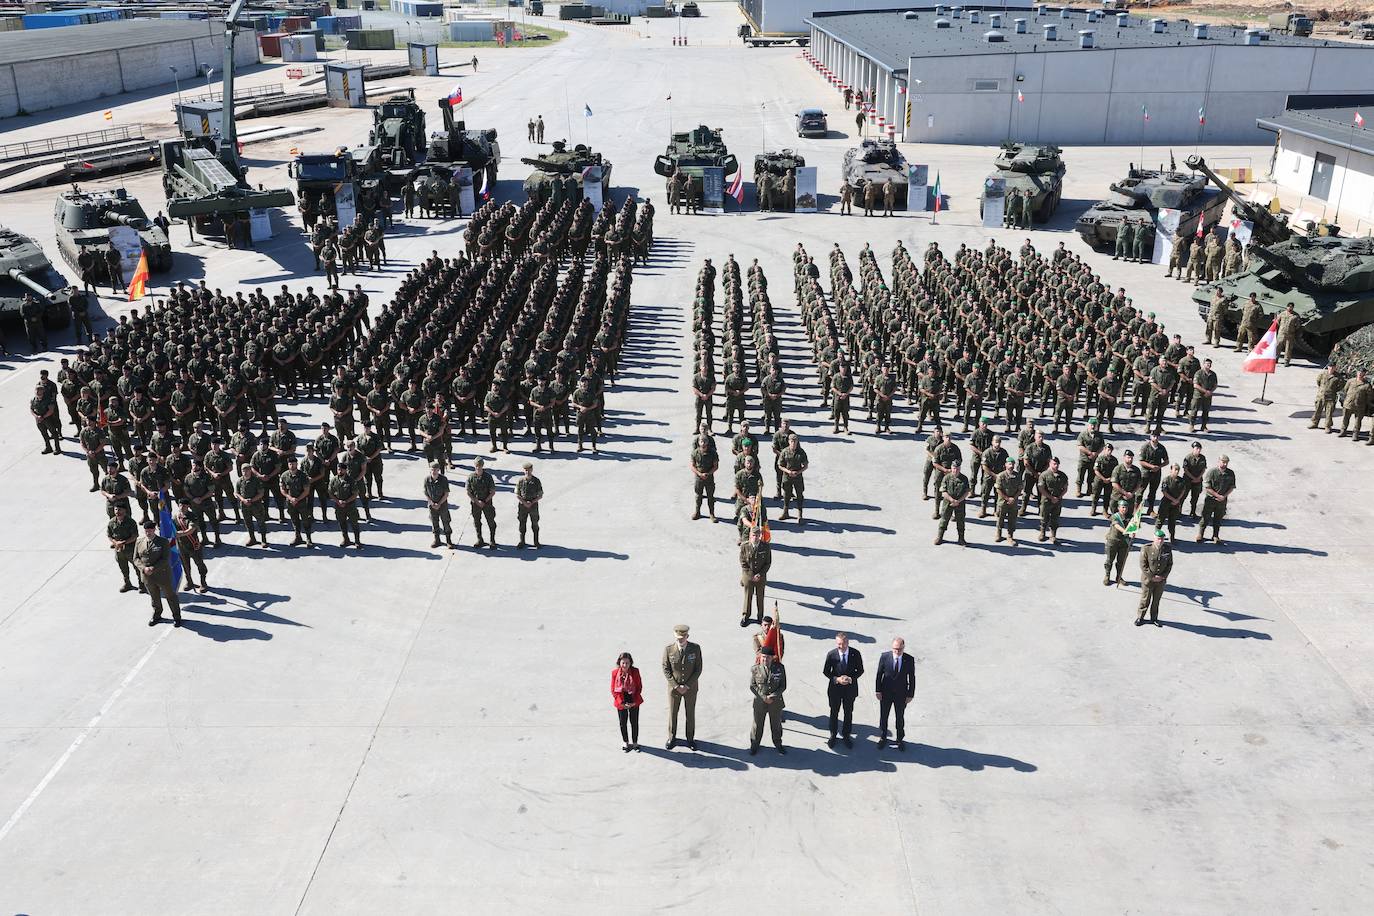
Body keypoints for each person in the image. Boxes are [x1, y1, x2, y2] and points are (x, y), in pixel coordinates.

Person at [134, 518, 182, 627]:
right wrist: (144, 568)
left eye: (150, 530)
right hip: (147, 576)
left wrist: (153, 568)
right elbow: (136, 558)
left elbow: (165, 559)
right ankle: (157, 615)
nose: (148, 532)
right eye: (146, 530)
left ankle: (177, 617)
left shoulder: (163, 542)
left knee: (170, 596)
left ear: (154, 530)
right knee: (154, 597)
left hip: (162, 575)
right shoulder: (139, 541)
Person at [662, 624, 702, 751]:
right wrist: (675, 685)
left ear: (687, 636)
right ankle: (672, 737)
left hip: (690, 689)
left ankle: (690, 738)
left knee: (690, 714)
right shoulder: (669, 650)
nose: (680, 640)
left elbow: (698, 669)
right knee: (673, 713)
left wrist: (687, 685)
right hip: (674, 690)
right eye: (678, 638)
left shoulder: (695, 649)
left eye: (682, 638)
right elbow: (666, 668)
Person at [822, 632, 864, 748]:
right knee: (834, 712)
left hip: (850, 690)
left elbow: (860, 670)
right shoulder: (832, 654)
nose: (840, 646)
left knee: (848, 713)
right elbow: (826, 671)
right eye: (838, 644)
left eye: (842, 644)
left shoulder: (855, 654)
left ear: (847, 642)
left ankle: (846, 735)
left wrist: (851, 678)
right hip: (835, 689)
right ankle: (833, 735)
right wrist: (837, 679)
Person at [874, 637, 915, 750]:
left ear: (903, 647)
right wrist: (878, 690)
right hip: (885, 693)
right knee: (884, 716)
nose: (897, 652)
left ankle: (900, 739)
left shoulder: (909, 659)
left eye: (899, 649)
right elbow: (879, 675)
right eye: (895, 649)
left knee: (900, 717)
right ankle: (883, 737)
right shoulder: (884, 657)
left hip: (901, 695)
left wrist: (910, 694)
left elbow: (912, 678)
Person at [749, 645, 787, 756]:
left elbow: (783, 686)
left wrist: (773, 696)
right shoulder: (755, 668)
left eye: (768, 657)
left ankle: (778, 743)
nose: (765, 660)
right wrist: (764, 697)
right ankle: (754, 744)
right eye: (763, 657)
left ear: (772, 658)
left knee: (776, 725)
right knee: (757, 725)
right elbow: (752, 686)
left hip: (775, 703)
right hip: (760, 703)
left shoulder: (780, 668)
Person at [1137, 529, 1173, 627]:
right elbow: (1143, 565)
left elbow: (1169, 564)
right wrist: (1152, 577)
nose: (1160, 541)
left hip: (1161, 581)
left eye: (1162, 539)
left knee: (1156, 600)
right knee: (1145, 599)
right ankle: (1140, 617)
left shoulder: (1167, 549)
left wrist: (1162, 577)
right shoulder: (1146, 548)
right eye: (1158, 539)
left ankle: (1154, 618)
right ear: (1154, 538)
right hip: (1148, 580)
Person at [1198, 454, 1236, 544]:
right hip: (1210, 500)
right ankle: (1200, 534)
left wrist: (1224, 496)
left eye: (1226, 462)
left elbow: (1232, 486)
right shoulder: (1212, 472)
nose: (1225, 464)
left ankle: (1215, 535)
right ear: (1219, 462)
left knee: (1218, 519)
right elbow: (1207, 487)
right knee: (1205, 517)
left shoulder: (1230, 473)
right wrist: (1217, 495)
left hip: (1222, 501)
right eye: (1223, 462)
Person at [738, 524, 771, 627]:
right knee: (748, 596)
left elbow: (768, 563)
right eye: (753, 535)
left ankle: (760, 616)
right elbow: (743, 562)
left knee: (760, 596)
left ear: (760, 536)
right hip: (748, 576)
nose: (755, 537)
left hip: (760, 577)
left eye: (757, 535)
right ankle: (745, 616)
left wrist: (760, 574)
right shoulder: (745, 546)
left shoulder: (765, 547)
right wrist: (751, 575)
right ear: (750, 536)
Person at [173, 505, 210, 595]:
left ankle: (203, 582)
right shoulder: (175, 517)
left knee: (199, 564)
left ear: (188, 506)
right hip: (182, 546)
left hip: (193, 545)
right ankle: (189, 581)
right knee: (186, 566)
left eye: (184, 505)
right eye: (180, 505)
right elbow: (171, 528)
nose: (182, 507)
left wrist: (179, 534)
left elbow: (191, 530)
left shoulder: (192, 516)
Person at [611, 651, 643, 752]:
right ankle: (625, 741)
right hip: (621, 698)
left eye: (627, 663)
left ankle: (635, 742)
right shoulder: (615, 673)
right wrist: (621, 702)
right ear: (619, 663)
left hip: (633, 697)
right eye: (623, 663)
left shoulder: (635, 671)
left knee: (634, 722)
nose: (625, 665)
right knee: (623, 722)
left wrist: (634, 701)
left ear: (630, 663)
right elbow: (613, 690)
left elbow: (639, 688)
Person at [466, 457, 497, 548]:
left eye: (479, 466)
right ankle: (480, 539)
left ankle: (492, 540)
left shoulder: (488, 477)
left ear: (482, 466)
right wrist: (476, 501)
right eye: (476, 466)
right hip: (475, 504)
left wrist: (484, 501)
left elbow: (493, 491)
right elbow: (468, 491)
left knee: (491, 521)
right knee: (477, 522)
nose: (478, 468)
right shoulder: (471, 477)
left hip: (487, 503)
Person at [424, 461, 454, 549]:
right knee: (434, 522)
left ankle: (449, 540)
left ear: (438, 470)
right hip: (432, 505)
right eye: (432, 469)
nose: (434, 471)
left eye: (435, 470)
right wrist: (431, 503)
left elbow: (446, 494)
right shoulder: (427, 479)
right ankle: (437, 540)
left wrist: (439, 504)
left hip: (442, 505)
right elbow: (425, 493)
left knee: (446, 522)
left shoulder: (443, 479)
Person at [1104, 498, 1132, 587]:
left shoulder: (1130, 517)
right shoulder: (1115, 516)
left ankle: (1119, 577)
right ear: (1119, 508)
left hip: (1124, 542)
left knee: (1121, 561)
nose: (1124, 509)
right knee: (1109, 560)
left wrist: (1134, 531)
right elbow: (1116, 525)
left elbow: (1134, 526)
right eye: (1123, 507)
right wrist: (1125, 531)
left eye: (1126, 508)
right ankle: (1107, 575)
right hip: (1113, 541)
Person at [515, 461, 543, 549]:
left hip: (533, 505)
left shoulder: (536, 481)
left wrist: (532, 502)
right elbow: (517, 494)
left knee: (535, 523)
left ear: (532, 470)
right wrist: (524, 503)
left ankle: (536, 541)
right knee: (522, 523)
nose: (527, 472)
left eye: (529, 470)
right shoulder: (520, 481)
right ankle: (522, 541)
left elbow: (540, 495)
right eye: (526, 470)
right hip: (523, 506)